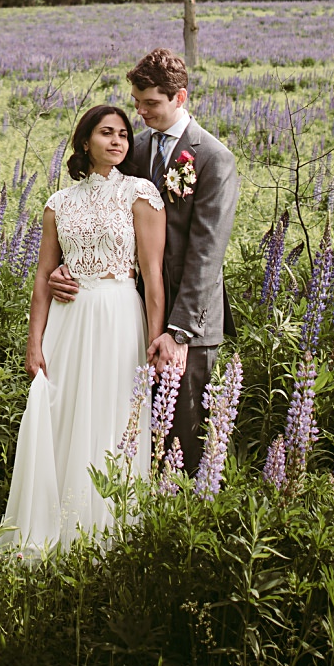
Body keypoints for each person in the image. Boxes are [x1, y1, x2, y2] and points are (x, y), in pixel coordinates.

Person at [48, 47, 238, 474]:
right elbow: (95, 210)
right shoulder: (133, 147)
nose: (141, 112)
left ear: (180, 98)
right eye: (137, 102)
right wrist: (69, 266)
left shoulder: (212, 158)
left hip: (189, 321)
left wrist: (178, 332)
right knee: (127, 430)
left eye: (150, 103)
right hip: (127, 317)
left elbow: (206, 255)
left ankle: (182, 528)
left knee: (184, 440)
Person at [0, 102, 167, 555]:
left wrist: (154, 340)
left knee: (112, 421)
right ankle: (59, 533)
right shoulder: (58, 204)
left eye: (124, 135)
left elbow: (152, 276)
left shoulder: (141, 194)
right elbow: (42, 279)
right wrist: (34, 344)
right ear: (85, 141)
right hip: (68, 323)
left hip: (118, 318)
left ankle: (109, 539)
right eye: (107, 133)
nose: (116, 141)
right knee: (63, 417)